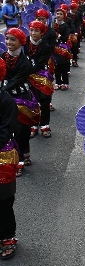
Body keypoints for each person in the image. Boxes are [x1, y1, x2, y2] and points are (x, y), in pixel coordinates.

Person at [1, 28, 35, 177]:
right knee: (10, 129)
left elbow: (15, 82)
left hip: (22, 98)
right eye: (7, 38)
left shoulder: (25, 63)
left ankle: (23, 155)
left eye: (12, 39)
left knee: (23, 130)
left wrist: (3, 90)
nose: (8, 42)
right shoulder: (3, 56)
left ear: (21, 42)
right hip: (6, 98)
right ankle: (18, 157)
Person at [0, 57, 19, 260]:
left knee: (3, 202)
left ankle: (7, 237)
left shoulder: (6, 101)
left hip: (3, 158)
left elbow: (5, 131)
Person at [26, 20, 54, 139]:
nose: (33, 33)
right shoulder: (25, 42)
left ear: (42, 33)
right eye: (31, 30)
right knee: (31, 102)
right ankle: (33, 125)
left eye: (36, 31)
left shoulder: (46, 46)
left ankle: (44, 125)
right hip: (26, 76)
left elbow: (40, 63)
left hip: (41, 76)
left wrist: (26, 70)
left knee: (44, 101)